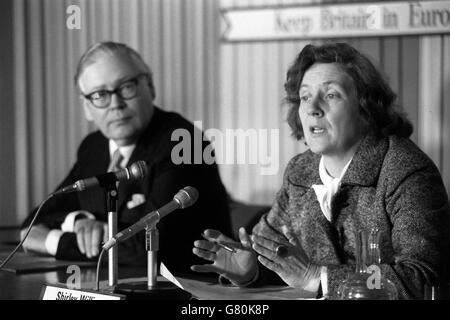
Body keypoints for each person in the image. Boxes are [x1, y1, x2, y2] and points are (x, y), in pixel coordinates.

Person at [191, 42, 450, 299]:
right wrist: (252, 270)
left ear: (365, 109)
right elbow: (276, 255)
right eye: (305, 96)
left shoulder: (406, 171)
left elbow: (423, 278)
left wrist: (318, 277)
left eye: (331, 95)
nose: (312, 107)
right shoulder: (300, 171)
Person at [21, 41, 231, 274]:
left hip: (187, 288)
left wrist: (54, 242)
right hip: (112, 280)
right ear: (87, 106)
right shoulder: (93, 148)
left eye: (126, 87)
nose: (116, 104)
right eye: (100, 95)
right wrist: (79, 221)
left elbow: (148, 248)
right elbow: (36, 220)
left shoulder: (184, 143)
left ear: (150, 85)